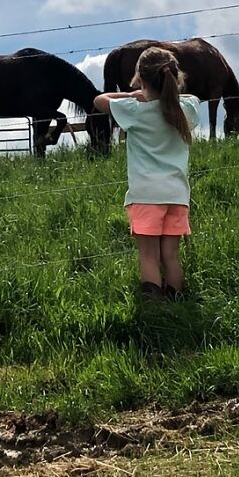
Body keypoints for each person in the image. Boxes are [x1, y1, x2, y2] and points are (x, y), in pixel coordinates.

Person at [94, 47, 200, 300]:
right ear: (174, 78)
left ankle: (154, 307)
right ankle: (177, 302)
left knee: (148, 256)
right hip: (177, 195)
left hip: (145, 196)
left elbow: (99, 101)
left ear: (140, 78)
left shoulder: (134, 111)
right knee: (171, 256)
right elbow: (194, 98)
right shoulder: (186, 110)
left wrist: (134, 94)